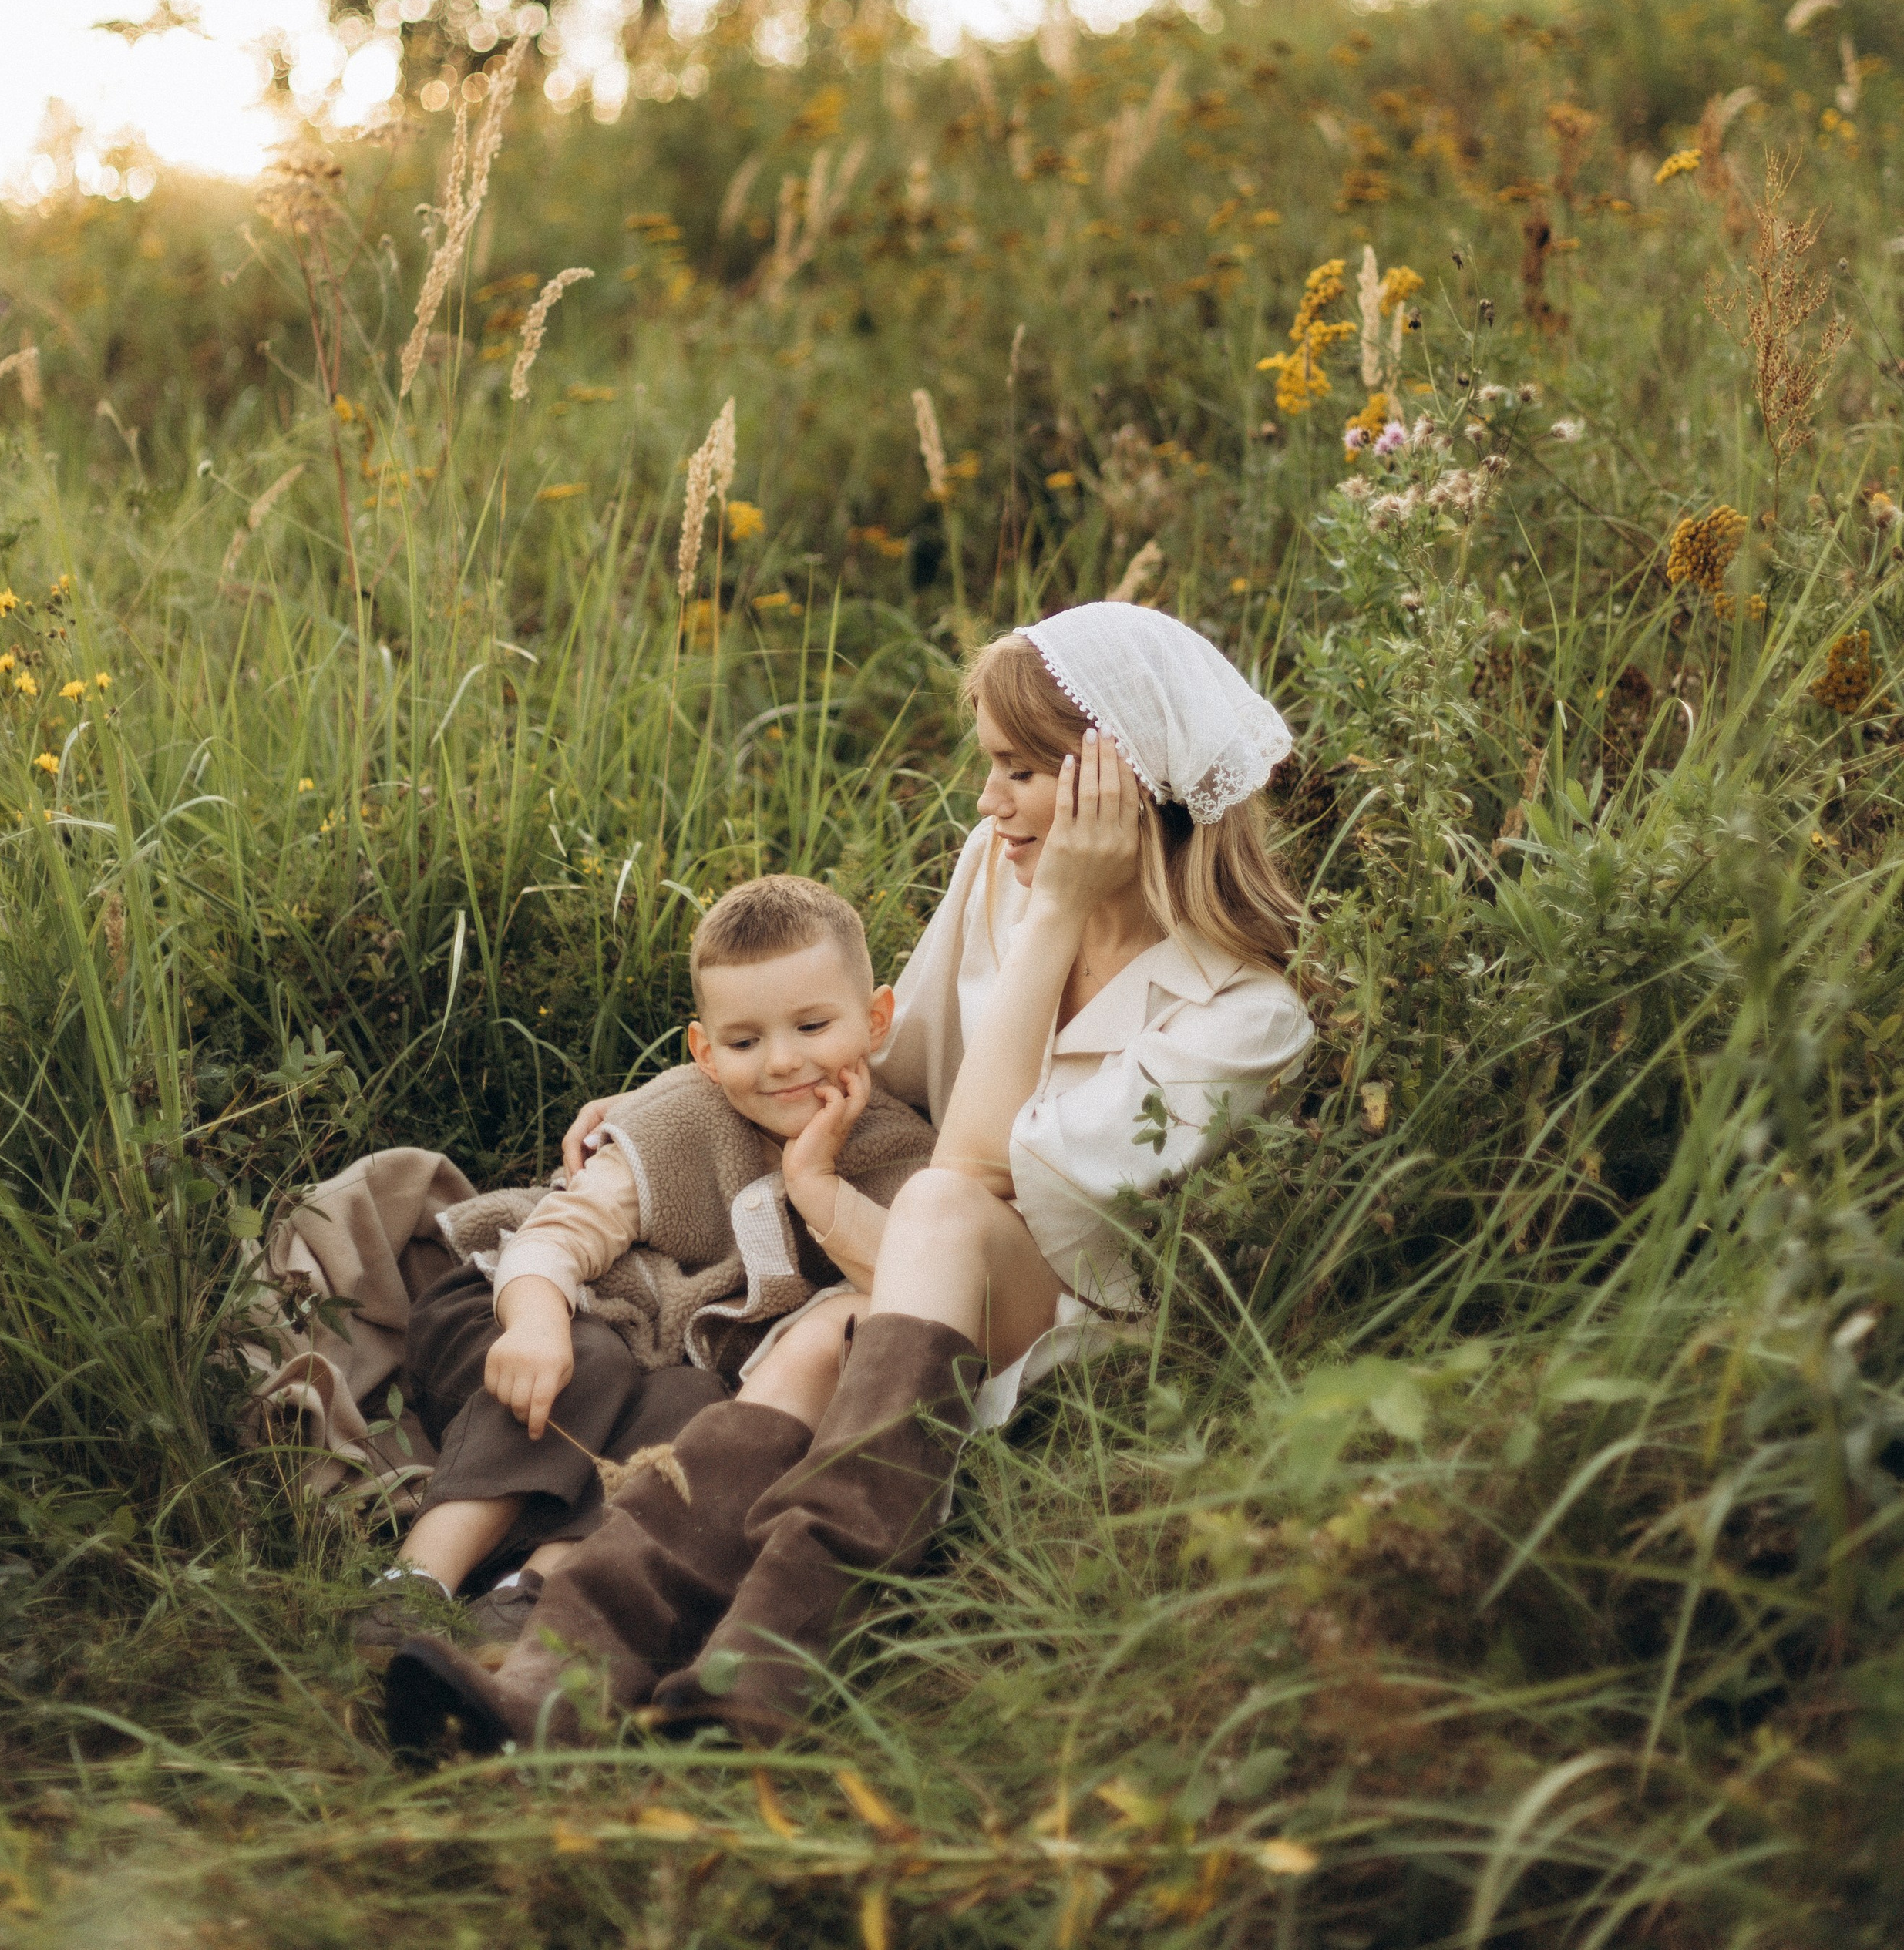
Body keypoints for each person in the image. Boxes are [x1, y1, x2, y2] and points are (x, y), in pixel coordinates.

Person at [385, 603, 1314, 1755]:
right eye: (991, 767)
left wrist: (1063, 909)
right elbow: (886, 1074)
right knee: (819, 1339)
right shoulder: (997, 871)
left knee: (935, 1204)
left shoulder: (1247, 1017)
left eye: (1024, 773)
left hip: (1069, 1314)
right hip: (908, 1286)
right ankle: (567, 1675)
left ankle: (773, 1644)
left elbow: (972, 1169)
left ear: (1121, 780)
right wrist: (660, 1107)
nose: (989, 804)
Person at [374, 875, 932, 1663]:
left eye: (812, 1025)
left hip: (656, 1367)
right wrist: (533, 1323)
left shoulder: (897, 1153)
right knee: (590, 1362)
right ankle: (416, 1580)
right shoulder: (681, 1118)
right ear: (705, 1052)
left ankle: (531, 1596)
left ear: (876, 1020)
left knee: (699, 1415)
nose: (781, 1062)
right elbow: (555, 1238)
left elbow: (915, 1279)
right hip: (519, 1313)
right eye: (743, 1042)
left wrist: (817, 1188)